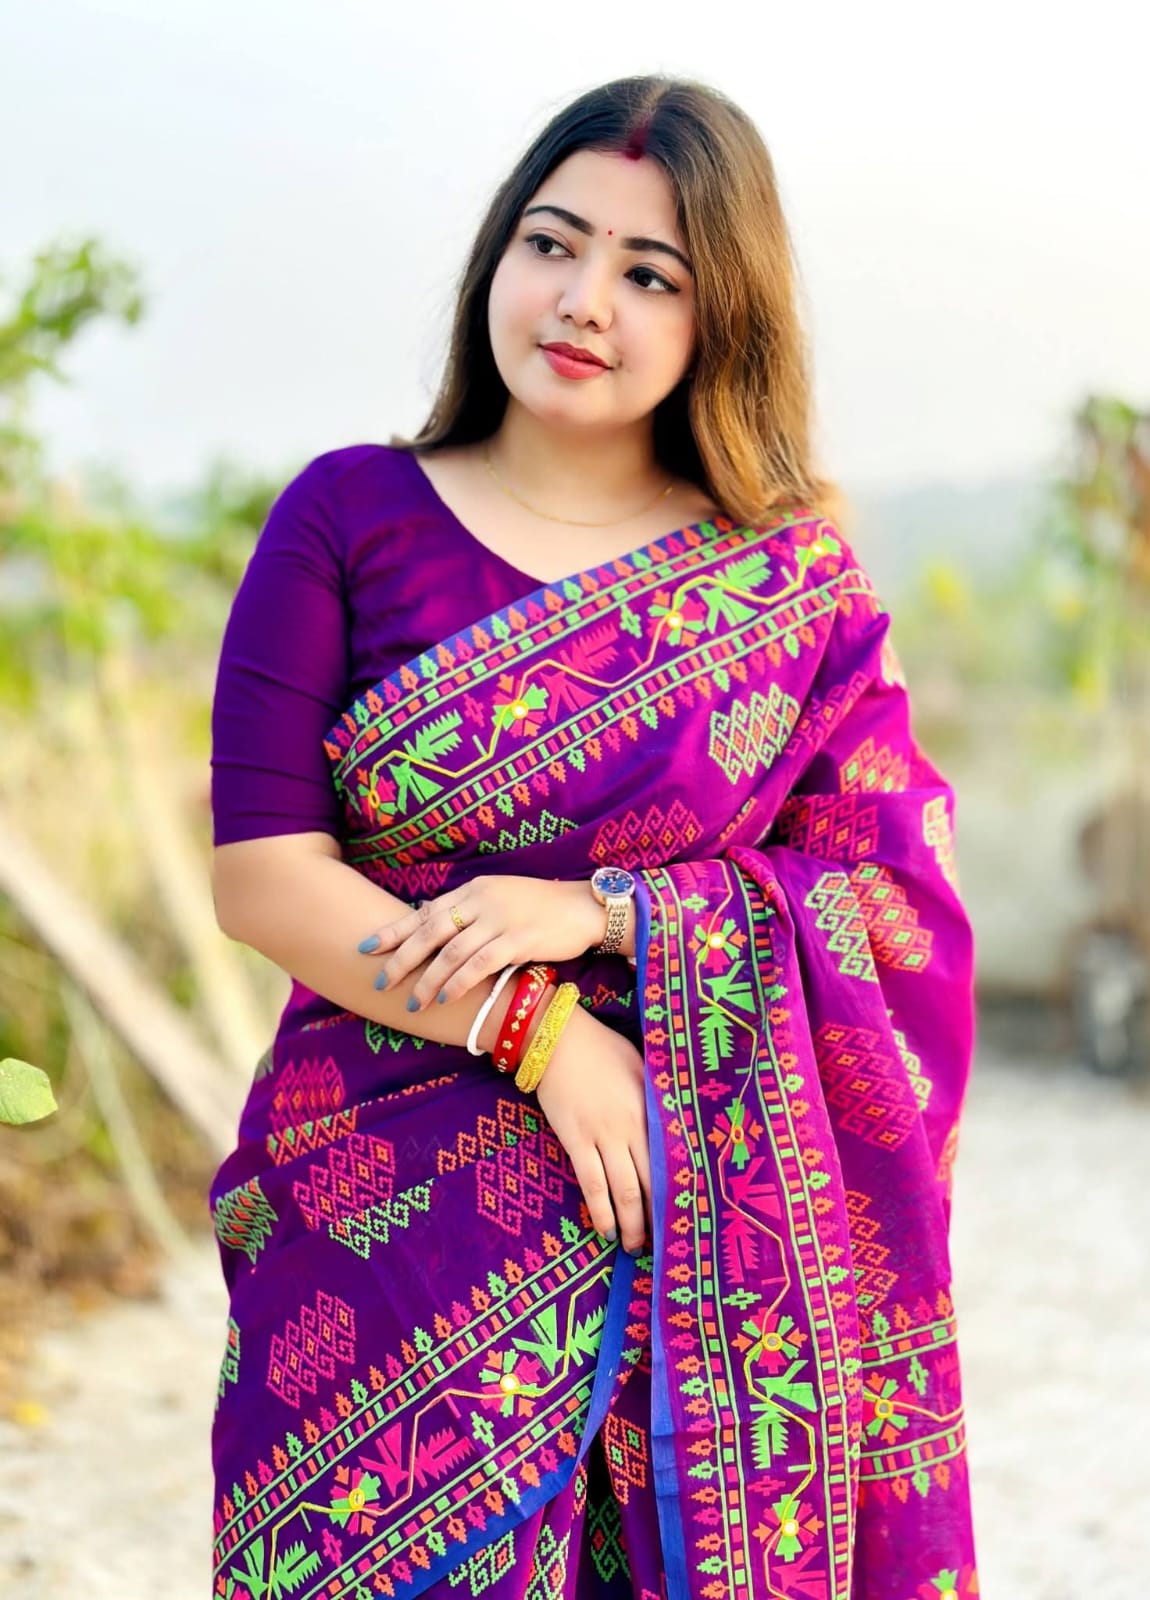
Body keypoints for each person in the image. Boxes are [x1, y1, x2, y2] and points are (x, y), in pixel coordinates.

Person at [207, 73, 980, 1600]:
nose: (583, 302)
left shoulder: (790, 587)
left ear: (720, 317)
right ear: (497, 254)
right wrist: (540, 1034)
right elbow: (263, 873)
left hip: (693, 1226)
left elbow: (888, 903)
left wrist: (614, 915)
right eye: (553, 245)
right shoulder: (350, 515)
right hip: (373, 1208)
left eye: (651, 275)